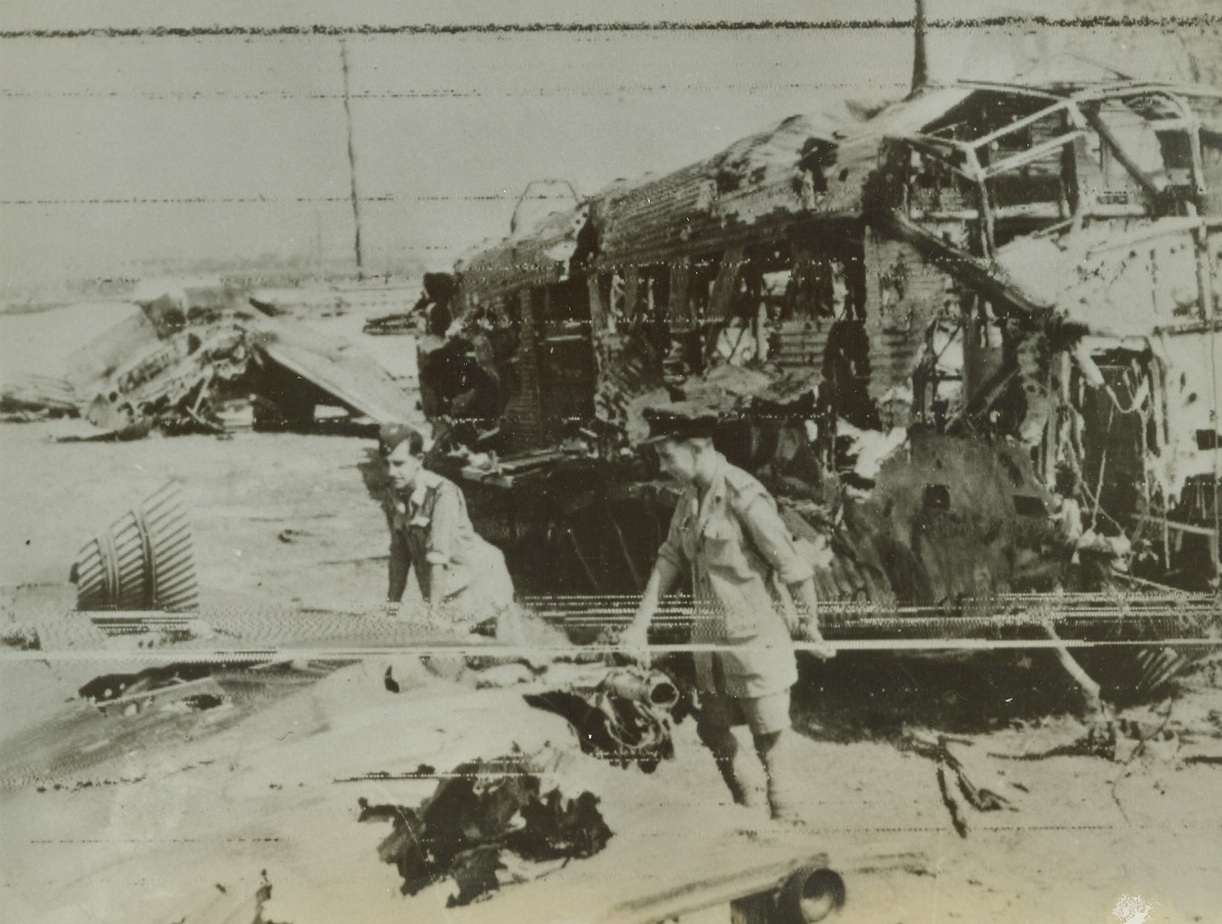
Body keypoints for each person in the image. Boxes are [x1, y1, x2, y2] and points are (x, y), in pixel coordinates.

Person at [619, 404, 834, 823]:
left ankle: (788, 828)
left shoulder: (744, 497)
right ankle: (750, 812)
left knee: (770, 742)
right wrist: (639, 625)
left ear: (697, 448)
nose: (662, 466)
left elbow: (793, 568)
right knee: (712, 730)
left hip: (755, 644)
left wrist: (810, 624)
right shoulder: (690, 498)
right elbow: (669, 560)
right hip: (711, 647)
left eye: (667, 456)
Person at [378, 423, 518, 638]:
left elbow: (438, 558)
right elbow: (399, 556)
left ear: (419, 461)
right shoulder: (393, 494)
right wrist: (391, 610)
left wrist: (433, 616)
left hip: (480, 583)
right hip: (448, 592)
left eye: (398, 464)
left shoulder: (442, 494)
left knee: (508, 660)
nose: (391, 471)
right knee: (456, 666)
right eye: (386, 464)